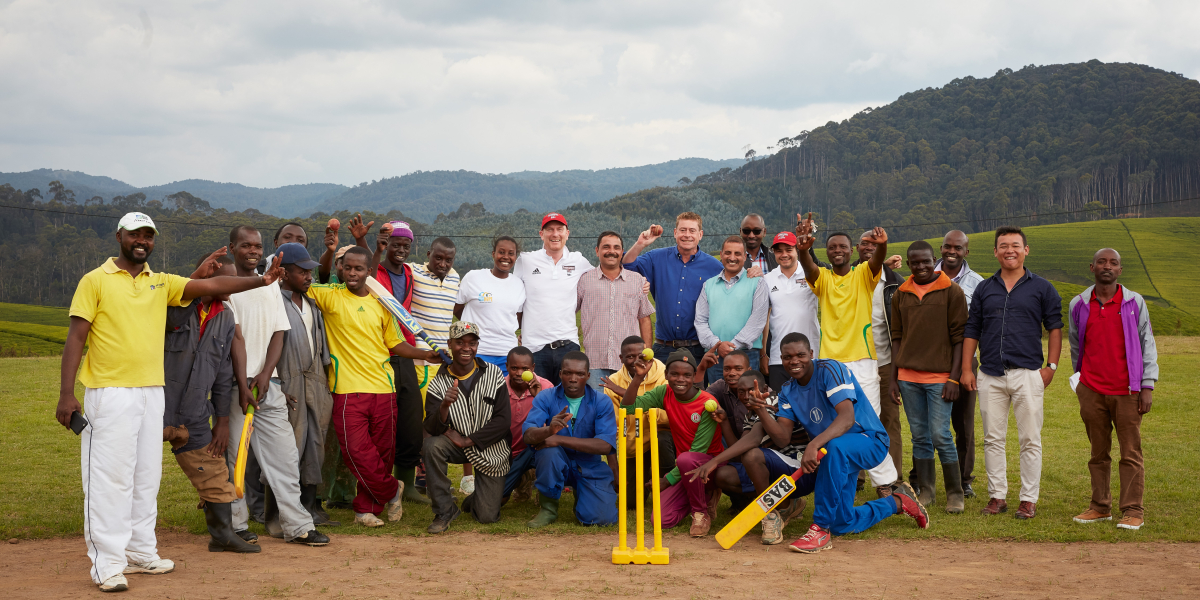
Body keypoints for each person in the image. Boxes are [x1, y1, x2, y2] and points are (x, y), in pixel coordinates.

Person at [58, 212, 288, 591]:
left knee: (146, 477)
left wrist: (261, 280)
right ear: (120, 236)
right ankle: (107, 564)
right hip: (110, 392)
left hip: (152, 393)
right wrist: (67, 394)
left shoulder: (161, 283)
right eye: (135, 234)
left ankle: (141, 551)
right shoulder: (95, 280)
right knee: (109, 480)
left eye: (148, 236)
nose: (142, 241)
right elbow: (76, 338)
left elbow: (214, 282)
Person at [306, 246, 440, 527]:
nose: (352, 273)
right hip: (346, 388)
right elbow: (302, 283)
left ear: (369, 271)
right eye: (347, 267)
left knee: (381, 453)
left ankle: (365, 509)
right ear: (341, 269)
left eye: (358, 268)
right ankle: (392, 489)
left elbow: (394, 343)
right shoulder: (329, 296)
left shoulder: (382, 304)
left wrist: (424, 354)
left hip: (383, 388)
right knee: (355, 451)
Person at [768, 334, 929, 553]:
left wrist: (813, 445)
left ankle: (820, 530)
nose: (794, 361)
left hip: (869, 440)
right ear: (781, 359)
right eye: (787, 357)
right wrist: (759, 408)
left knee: (832, 447)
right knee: (842, 523)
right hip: (837, 452)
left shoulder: (830, 369)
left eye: (800, 355)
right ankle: (898, 502)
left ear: (811, 355)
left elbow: (847, 418)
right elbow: (782, 438)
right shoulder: (787, 390)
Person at [222, 226, 329, 547]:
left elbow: (278, 333)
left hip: (269, 386)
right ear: (232, 248)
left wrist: (267, 375)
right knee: (236, 459)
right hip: (235, 387)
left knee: (284, 457)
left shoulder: (269, 286)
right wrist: (243, 384)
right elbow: (235, 337)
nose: (252, 251)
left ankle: (298, 525)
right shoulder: (228, 286)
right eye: (245, 246)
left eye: (256, 245)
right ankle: (237, 525)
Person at [961, 226, 1063, 520]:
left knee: (1030, 438)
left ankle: (1028, 499)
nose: (1010, 250)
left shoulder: (1042, 287)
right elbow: (972, 329)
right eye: (1003, 245)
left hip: (1028, 373)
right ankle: (997, 496)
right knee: (993, 438)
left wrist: (1051, 367)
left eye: (1015, 245)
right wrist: (968, 368)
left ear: (1026, 250)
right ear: (995, 252)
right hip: (990, 374)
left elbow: (1054, 327)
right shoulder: (984, 288)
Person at [794, 214, 899, 497]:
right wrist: (802, 248)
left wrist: (882, 245)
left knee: (869, 422)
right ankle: (847, 479)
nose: (837, 251)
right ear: (827, 252)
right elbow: (809, 267)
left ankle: (885, 484)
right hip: (831, 364)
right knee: (836, 423)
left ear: (851, 251)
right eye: (832, 248)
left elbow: (877, 261)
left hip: (863, 360)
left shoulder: (864, 274)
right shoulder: (823, 278)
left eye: (842, 247)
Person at [162, 255, 259, 554]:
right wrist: (194, 278)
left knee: (216, 473)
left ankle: (221, 536)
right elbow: (168, 323)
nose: (232, 287)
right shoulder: (176, 307)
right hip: (155, 408)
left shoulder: (226, 318)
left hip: (194, 414)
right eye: (227, 280)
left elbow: (222, 372)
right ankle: (121, 538)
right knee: (134, 474)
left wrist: (222, 420)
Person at [1067, 248, 1158, 531]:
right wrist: (1081, 382)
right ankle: (1100, 507)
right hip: (1092, 389)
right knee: (1098, 452)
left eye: (1113, 263)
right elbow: (1075, 344)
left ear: (1120, 270)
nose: (1107, 266)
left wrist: (1146, 385)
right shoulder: (1079, 304)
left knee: (1130, 452)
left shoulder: (1134, 302)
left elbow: (1147, 343)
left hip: (1128, 390)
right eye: (1102, 262)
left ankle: (1133, 510)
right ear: (1091, 267)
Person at [685, 370, 811, 545]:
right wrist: (725, 423)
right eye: (741, 392)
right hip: (775, 468)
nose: (745, 395)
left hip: (800, 468)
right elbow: (740, 450)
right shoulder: (749, 415)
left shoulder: (773, 401)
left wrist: (714, 461)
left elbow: (754, 439)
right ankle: (787, 504)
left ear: (764, 387)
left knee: (752, 456)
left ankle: (771, 514)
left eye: (751, 390)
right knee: (725, 475)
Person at [888, 241, 969, 513]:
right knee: (920, 436)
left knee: (941, 434)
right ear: (909, 264)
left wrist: (954, 378)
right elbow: (896, 338)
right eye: (915, 263)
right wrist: (894, 378)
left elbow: (960, 339)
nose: (921, 267)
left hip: (940, 378)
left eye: (925, 261)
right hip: (908, 378)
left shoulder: (952, 292)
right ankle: (927, 491)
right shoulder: (901, 293)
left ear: (934, 260)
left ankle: (955, 493)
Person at [358, 220, 432, 506]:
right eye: (395, 244)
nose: (400, 249)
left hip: (405, 352)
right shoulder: (376, 271)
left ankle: (407, 484)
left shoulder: (410, 274)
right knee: (381, 424)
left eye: (406, 245)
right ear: (386, 245)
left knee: (412, 422)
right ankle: (378, 484)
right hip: (379, 354)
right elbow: (368, 276)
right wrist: (372, 247)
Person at [621, 350, 725, 537]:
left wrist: (666, 480)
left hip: (711, 463)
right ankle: (704, 494)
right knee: (662, 520)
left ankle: (700, 513)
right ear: (666, 375)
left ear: (694, 377)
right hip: (685, 466)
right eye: (674, 374)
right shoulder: (664, 392)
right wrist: (638, 377)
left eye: (686, 375)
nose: (680, 379)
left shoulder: (707, 403)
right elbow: (628, 408)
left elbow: (698, 450)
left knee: (686, 459)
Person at [421, 322, 513, 533]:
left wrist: (468, 440)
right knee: (432, 446)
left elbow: (502, 420)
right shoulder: (438, 383)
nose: (466, 348)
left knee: (487, 517)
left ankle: (475, 499)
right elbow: (432, 428)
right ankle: (444, 509)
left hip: (490, 448)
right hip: (455, 444)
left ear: (477, 346)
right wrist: (444, 406)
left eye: (472, 343)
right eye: (460, 342)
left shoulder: (493, 373)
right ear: (450, 344)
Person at [274, 243, 338, 526]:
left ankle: (311, 506)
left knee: (316, 443)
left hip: (316, 380)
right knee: (288, 447)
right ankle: (275, 513)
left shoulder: (311, 304)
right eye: (301, 272)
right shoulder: (274, 301)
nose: (309, 277)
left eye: (309, 272)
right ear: (284, 273)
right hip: (287, 381)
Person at [522, 351, 620, 528]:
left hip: (589, 465)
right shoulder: (546, 397)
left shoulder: (602, 401)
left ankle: (583, 497)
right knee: (548, 451)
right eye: (568, 373)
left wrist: (558, 439)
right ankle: (548, 508)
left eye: (580, 374)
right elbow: (528, 434)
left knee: (601, 519)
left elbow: (605, 445)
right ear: (560, 374)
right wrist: (549, 430)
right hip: (557, 461)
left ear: (588, 376)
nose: (573, 378)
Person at [622, 212, 723, 369]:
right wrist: (640, 244)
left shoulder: (714, 267)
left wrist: (753, 272)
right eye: (683, 230)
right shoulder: (657, 258)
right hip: (663, 349)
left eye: (692, 230)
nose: (687, 235)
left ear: (700, 235)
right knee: (661, 393)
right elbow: (627, 265)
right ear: (675, 233)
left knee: (696, 393)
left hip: (698, 350)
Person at [513, 213, 595, 384]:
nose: (555, 234)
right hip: (534, 348)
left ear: (567, 233)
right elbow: (514, 298)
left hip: (568, 345)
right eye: (549, 230)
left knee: (568, 400)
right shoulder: (526, 260)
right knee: (537, 399)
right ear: (541, 234)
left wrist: (642, 283)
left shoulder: (578, 261)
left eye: (559, 229)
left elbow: (602, 277)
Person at [936, 230, 985, 498]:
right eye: (947, 246)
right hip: (929, 362)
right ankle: (924, 478)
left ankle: (964, 480)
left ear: (966, 251)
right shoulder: (923, 276)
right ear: (940, 248)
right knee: (931, 425)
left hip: (966, 361)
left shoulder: (978, 284)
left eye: (957, 247)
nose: (951, 251)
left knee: (963, 424)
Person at [597, 336, 676, 504]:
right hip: (633, 447)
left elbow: (671, 417)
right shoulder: (614, 382)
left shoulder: (664, 375)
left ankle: (668, 489)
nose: (635, 361)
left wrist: (627, 395)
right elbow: (615, 424)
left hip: (660, 440)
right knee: (630, 503)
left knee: (662, 439)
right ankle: (644, 475)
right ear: (621, 358)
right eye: (629, 357)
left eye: (640, 356)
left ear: (648, 355)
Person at [855, 230, 906, 485]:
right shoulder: (845, 276)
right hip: (854, 361)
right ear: (856, 248)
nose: (869, 247)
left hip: (885, 361)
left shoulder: (896, 282)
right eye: (864, 243)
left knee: (889, 419)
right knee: (853, 419)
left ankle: (893, 479)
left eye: (875, 244)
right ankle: (856, 477)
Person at [577, 231, 654, 390]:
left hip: (630, 363)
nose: (611, 251)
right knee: (599, 410)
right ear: (597, 251)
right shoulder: (584, 280)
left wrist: (647, 353)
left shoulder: (637, 280)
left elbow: (644, 318)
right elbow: (569, 312)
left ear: (621, 252)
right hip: (594, 362)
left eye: (616, 247)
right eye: (606, 247)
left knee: (630, 409)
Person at [696, 236, 769, 383]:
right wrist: (718, 345)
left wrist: (731, 347)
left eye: (737, 254)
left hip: (746, 354)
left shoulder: (757, 283)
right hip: (715, 355)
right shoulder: (708, 285)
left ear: (744, 256)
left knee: (746, 399)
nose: (732, 257)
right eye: (728, 253)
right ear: (721, 255)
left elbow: (758, 321)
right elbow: (700, 321)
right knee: (717, 401)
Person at [455, 236, 525, 375]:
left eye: (511, 253)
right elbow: (457, 308)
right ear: (493, 254)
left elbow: (518, 318)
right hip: (477, 352)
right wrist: (472, 327)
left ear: (515, 257)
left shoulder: (519, 284)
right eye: (501, 252)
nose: (505, 257)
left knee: (503, 396)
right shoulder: (473, 277)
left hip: (507, 355)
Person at [763, 232, 820, 391]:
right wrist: (763, 354)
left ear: (797, 250)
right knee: (782, 409)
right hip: (778, 358)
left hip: (810, 355)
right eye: (779, 251)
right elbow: (765, 319)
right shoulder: (768, 279)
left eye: (789, 249)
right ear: (773, 253)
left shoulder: (811, 274)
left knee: (812, 408)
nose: (784, 254)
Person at [500, 346, 551, 503]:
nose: (519, 373)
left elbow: (555, 423)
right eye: (514, 368)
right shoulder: (498, 387)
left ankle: (544, 492)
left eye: (525, 368)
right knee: (499, 496)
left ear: (533, 368)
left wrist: (539, 397)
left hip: (537, 448)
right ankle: (521, 482)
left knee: (550, 453)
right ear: (507, 366)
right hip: (507, 450)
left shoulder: (547, 387)